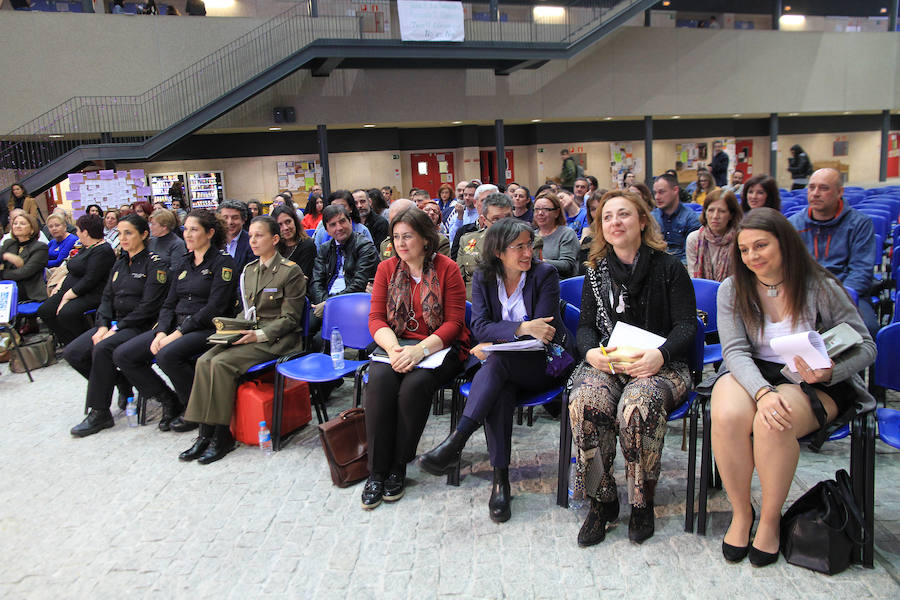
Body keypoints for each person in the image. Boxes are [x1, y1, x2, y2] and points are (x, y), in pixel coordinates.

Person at [710, 207, 875, 567]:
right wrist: (762, 392)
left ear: (784, 243)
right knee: (724, 414)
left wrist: (830, 372)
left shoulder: (821, 285)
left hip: (811, 377)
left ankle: (770, 519)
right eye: (744, 249)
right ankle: (742, 512)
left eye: (761, 245)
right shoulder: (732, 288)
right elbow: (735, 351)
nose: (752, 256)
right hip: (752, 371)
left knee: (773, 422)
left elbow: (867, 347)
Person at [418, 218, 576, 522]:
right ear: (499, 252)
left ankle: (457, 442)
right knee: (500, 387)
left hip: (543, 363)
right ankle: (500, 481)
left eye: (530, 244)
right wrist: (520, 327)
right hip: (501, 368)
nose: (528, 252)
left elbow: (544, 330)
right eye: (519, 247)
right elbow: (478, 326)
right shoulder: (484, 278)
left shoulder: (546, 275)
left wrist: (500, 336)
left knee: (496, 363)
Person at [568, 190, 696, 547]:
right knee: (585, 403)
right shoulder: (595, 271)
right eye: (607, 217)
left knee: (637, 409)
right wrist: (591, 353)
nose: (614, 222)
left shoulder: (669, 267)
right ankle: (601, 498)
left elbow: (687, 325)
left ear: (642, 221)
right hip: (612, 361)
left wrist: (663, 354)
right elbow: (586, 327)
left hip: (661, 365)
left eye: (623, 215)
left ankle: (641, 501)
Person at [361, 207, 470, 509]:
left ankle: (398, 465)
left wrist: (419, 351)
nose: (401, 243)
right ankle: (376, 471)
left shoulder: (447, 268)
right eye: (396, 237)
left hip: (439, 348)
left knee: (413, 387)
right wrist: (395, 349)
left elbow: (454, 324)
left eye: (407, 236)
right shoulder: (386, 270)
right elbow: (375, 320)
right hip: (396, 345)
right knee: (380, 384)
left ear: (425, 238)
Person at [178, 216, 306, 464]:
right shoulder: (249, 270)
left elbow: (291, 319)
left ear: (275, 239)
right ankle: (205, 433)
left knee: (222, 364)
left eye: (260, 235)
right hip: (249, 334)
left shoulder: (290, 271)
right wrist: (231, 331)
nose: (253, 241)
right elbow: (245, 311)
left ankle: (222, 435)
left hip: (277, 340)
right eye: (252, 235)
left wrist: (256, 335)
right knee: (205, 360)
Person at [115, 209, 237, 432]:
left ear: (210, 233)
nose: (187, 234)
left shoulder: (223, 262)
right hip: (176, 326)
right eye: (186, 229)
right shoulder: (183, 262)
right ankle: (169, 400)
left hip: (207, 327)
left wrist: (178, 333)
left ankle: (195, 410)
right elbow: (169, 303)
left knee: (166, 355)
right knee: (125, 355)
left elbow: (214, 308)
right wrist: (162, 331)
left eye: (194, 230)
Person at [66, 214, 169, 437]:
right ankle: (121, 382)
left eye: (128, 233)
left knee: (103, 349)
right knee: (73, 352)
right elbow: (106, 300)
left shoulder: (156, 264)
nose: (122, 238)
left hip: (140, 326)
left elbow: (148, 307)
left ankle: (99, 412)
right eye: (120, 233)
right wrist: (102, 325)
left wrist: (116, 328)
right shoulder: (120, 263)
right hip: (115, 324)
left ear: (144, 234)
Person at [788, 168, 879, 337]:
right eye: (811, 187)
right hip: (804, 295)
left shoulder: (859, 224)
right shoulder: (793, 224)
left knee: (867, 329)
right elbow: (787, 268)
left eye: (823, 188)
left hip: (847, 294)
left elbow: (861, 270)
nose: (815, 193)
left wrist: (839, 299)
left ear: (839, 192)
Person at [37, 214, 116, 345]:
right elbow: (71, 269)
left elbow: (90, 280)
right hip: (70, 290)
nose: (77, 233)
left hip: (91, 292)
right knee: (45, 311)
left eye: (78, 230)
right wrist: (60, 285)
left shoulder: (103, 250)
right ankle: (69, 341)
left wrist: (67, 296)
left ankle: (84, 343)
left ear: (85, 232)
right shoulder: (86, 247)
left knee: (66, 313)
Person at [309, 205, 379, 328]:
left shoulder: (364, 246)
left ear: (350, 222)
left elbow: (359, 284)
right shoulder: (325, 249)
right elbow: (316, 281)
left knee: (323, 338)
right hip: (325, 301)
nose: (339, 228)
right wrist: (324, 302)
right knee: (307, 326)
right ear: (326, 230)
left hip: (353, 303)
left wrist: (329, 304)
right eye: (333, 225)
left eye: (342, 221)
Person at [456, 194, 514, 299]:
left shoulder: (527, 241)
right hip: (473, 304)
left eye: (507, 218)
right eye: (496, 219)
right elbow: (458, 282)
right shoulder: (467, 240)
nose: (502, 224)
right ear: (484, 219)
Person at [686, 189, 742, 281]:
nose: (715, 216)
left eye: (722, 211)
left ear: (731, 215)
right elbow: (694, 279)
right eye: (711, 210)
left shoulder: (740, 239)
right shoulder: (694, 239)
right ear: (705, 212)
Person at [652, 173, 701, 264]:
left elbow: (691, 255)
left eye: (661, 192)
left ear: (675, 190)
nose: (657, 197)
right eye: (655, 193)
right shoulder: (652, 218)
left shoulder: (691, 218)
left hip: (682, 267)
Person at [0, 213, 48, 303]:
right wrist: (4, 256)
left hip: (27, 292)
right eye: (15, 223)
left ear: (32, 229)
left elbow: (24, 272)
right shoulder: (9, 243)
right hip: (5, 288)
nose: (18, 226)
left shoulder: (40, 247)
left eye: (22, 224)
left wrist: (2, 274)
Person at [533, 191, 579, 279]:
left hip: (560, 284)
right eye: (537, 209)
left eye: (546, 209)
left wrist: (540, 262)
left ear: (556, 213)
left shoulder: (566, 234)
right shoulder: (531, 235)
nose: (540, 213)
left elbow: (567, 266)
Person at [271, 204, 315, 279]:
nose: (285, 228)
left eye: (288, 222)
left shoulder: (307, 245)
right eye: (280, 225)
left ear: (295, 222)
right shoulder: (273, 246)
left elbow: (303, 279)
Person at [449, 183, 494, 256]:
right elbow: (452, 239)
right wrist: (460, 217)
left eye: (471, 195)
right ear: (476, 202)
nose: (467, 198)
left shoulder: (507, 228)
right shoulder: (457, 218)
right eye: (465, 195)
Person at [218, 199, 254, 273]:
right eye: (225, 217)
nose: (230, 222)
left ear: (243, 220)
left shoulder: (251, 242)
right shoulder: (214, 242)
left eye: (235, 218)